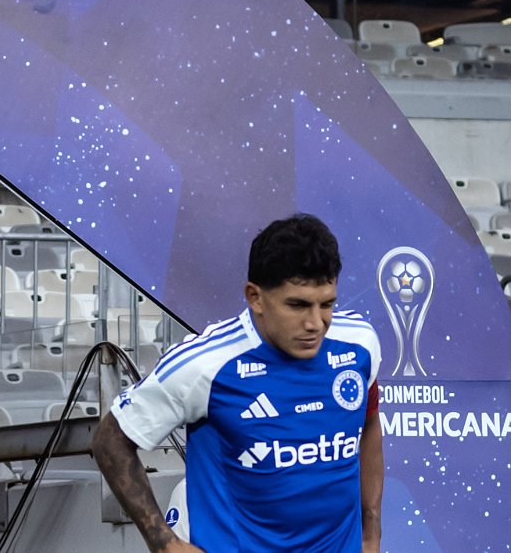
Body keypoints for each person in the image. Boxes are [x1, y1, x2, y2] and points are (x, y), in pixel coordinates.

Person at [92, 213, 384, 553]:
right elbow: (110, 441)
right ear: (255, 297)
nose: (316, 323)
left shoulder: (360, 343)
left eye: (327, 304)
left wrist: (371, 531)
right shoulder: (203, 364)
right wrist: (164, 542)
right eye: (298, 305)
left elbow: (369, 423)